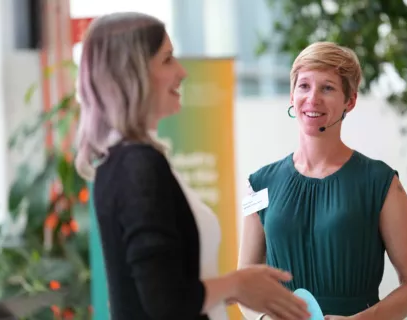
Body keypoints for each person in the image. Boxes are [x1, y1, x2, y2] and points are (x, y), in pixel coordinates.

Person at [74, 12, 310, 320]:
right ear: (134, 72)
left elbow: (168, 290)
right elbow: (165, 301)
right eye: (168, 59)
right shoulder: (138, 166)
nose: (182, 72)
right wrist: (236, 282)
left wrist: (239, 289)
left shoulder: (124, 161)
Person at [237, 42, 407, 320]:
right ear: (292, 95)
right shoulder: (259, 184)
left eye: (327, 88)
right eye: (304, 86)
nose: (312, 98)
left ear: (349, 101)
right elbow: (245, 283)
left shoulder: (381, 183)